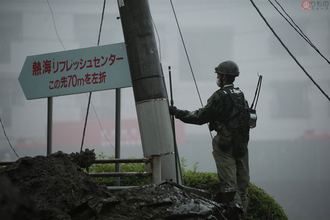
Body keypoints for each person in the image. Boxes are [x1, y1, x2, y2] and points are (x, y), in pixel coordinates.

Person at [169, 60, 250, 213]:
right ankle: (243, 209)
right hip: (242, 144)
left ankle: (235, 211)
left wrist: (177, 112)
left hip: (224, 144)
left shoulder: (219, 96)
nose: (218, 78)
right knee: (243, 180)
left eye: (219, 75)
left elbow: (200, 117)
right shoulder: (240, 94)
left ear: (224, 77)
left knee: (229, 182)